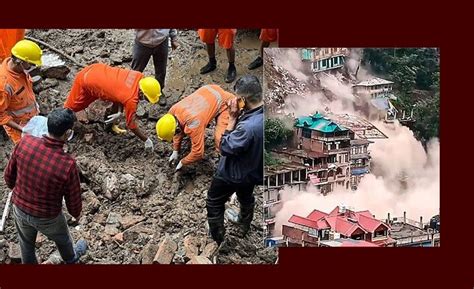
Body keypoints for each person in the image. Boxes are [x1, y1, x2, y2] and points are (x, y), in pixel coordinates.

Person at [3, 108, 88, 264]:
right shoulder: (67, 164)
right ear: (67, 133)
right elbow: (73, 202)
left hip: (20, 209)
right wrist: (76, 214)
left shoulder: (25, 142)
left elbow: (8, 178)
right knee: (64, 241)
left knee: (26, 246)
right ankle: (71, 260)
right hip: (48, 217)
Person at [205, 75, 264, 245]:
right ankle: (244, 224)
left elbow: (225, 147)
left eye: (236, 98)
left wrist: (231, 119)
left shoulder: (247, 128)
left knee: (214, 201)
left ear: (243, 100)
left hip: (232, 173)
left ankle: (218, 237)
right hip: (253, 171)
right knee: (246, 196)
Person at [64, 63, 161, 151]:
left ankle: (110, 126)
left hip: (96, 69)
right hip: (87, 81)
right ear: (141, 92)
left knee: (113, 101)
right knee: (71, 107)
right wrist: (146, 139)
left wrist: (119, 111)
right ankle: (63, 129)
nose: (144, 100)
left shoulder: (138, 76)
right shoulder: (131, 99)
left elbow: (120, 94)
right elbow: (131, 125)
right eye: (145, 98)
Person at [156, 84, 235, 170]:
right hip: (209, 89)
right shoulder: (172, 112)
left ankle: (224, 163)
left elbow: (198, 153)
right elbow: (177, 132)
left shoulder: (193, 124)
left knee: (220, 140)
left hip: (225, 102)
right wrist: (176, 150)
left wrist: (183, 161)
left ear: (177, 129)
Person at [0, 39, 42, 144]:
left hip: (31, 118)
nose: (33, 67)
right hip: (18, 127)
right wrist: (22, 129)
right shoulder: (4, 85)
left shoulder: (20, 69)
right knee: (26, 152)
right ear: (20, 61)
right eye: (31, 64)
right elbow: (1, 115)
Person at [131, 29, 179, 107]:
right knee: (135, 72)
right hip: (142, 43)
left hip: (162, 41)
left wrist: (173, 37)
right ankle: (131, 93)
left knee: (161, 70)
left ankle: (158, 92)